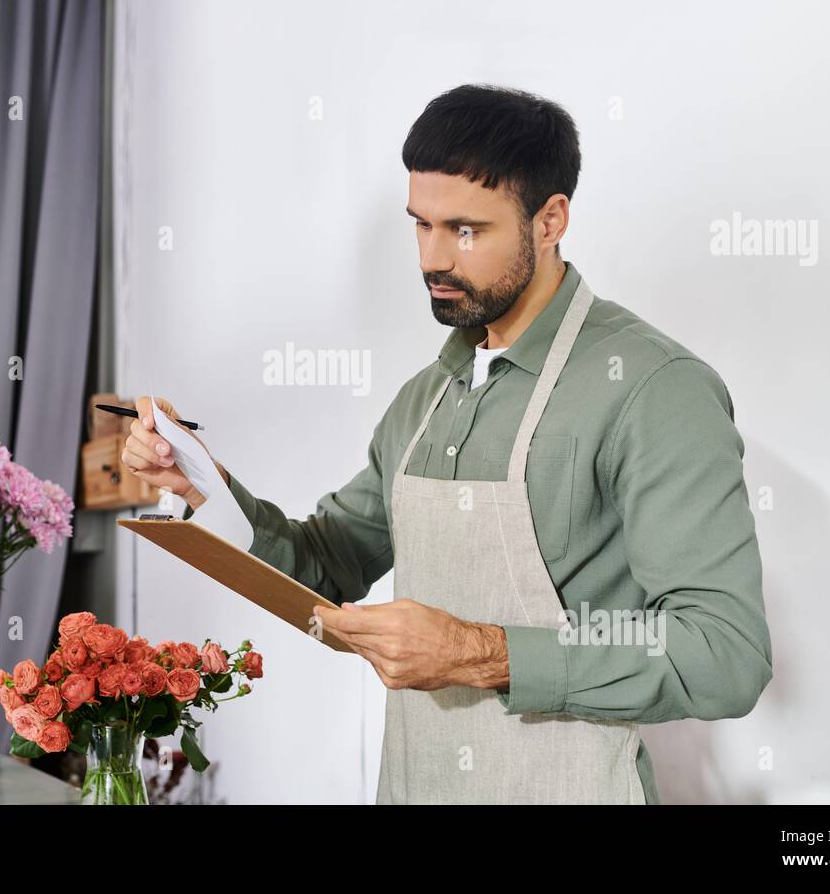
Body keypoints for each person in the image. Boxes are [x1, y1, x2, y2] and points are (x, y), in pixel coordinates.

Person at [121, 84, 773, 804]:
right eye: (420, 225)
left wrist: (480, 654)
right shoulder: (427, 398)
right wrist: (201, 483)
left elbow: (724, 655)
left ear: (551, 219)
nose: (433, 257)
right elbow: (327, 567)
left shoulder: (653, 388)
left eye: (465, 230)